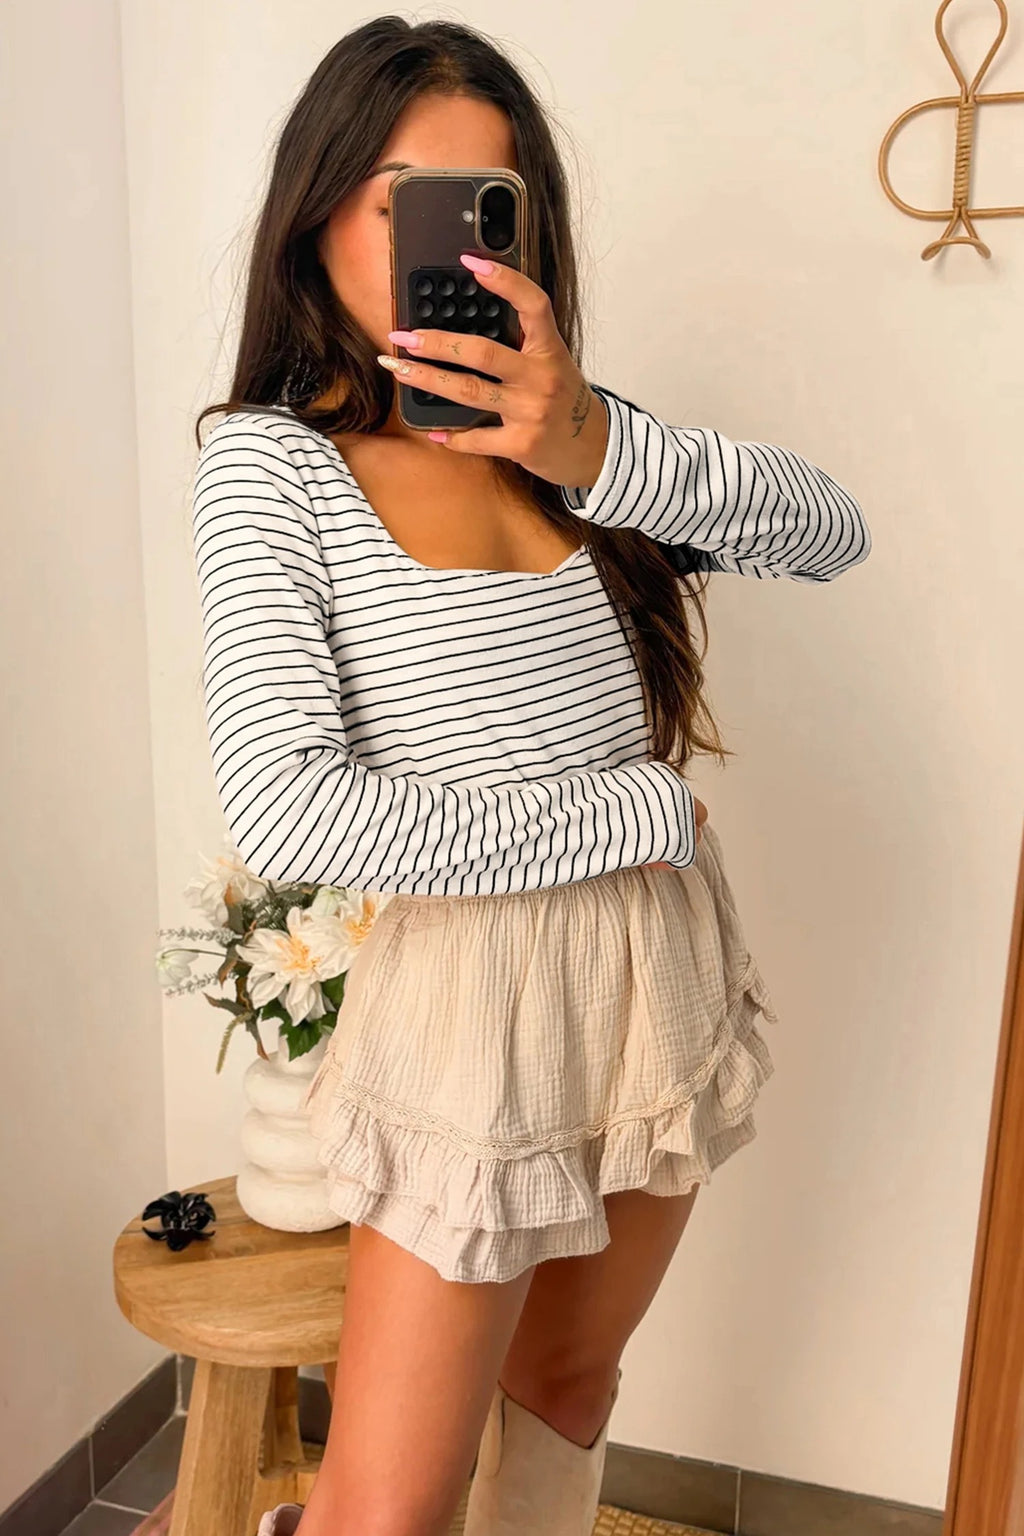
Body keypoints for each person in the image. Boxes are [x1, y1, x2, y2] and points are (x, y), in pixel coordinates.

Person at [189, 17, 870, 1536]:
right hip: (476, 1007)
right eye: (397, 198)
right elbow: (285, 803)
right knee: (387, 1506)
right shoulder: (271, 464)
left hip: (654, 973)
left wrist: (588, 443)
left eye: (480, 207)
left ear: (523, 233)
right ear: (317, 209)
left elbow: (832, 532)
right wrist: (634, 810)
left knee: (566, 1388)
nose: (435, 245)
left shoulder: (558, 430)